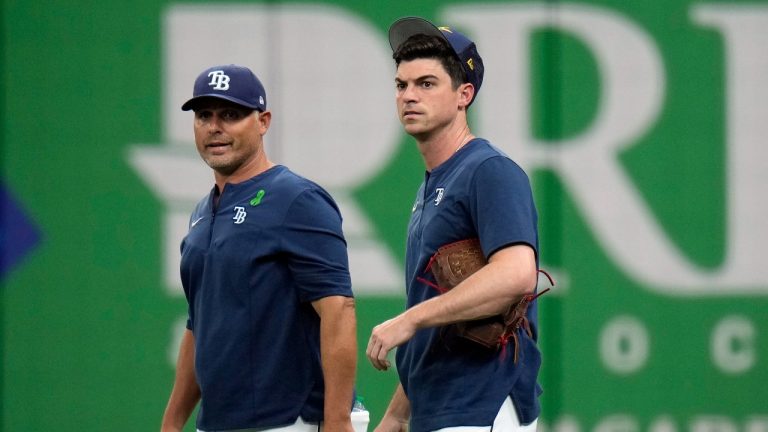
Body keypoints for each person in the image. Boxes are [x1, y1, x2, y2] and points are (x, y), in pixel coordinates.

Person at [366, 18, 543, 432]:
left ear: (464, 94)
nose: (409, 96)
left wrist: (409, 319)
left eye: (426, 83)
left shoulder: (488, 170)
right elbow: (441, 319)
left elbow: (518, 274)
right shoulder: (433, 184)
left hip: (482, 401)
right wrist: (395, 416)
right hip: (440, 405)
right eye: (401, 85)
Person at [161, 64, 357, 432]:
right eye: (204, 116)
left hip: (286, 420)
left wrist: (337, 420)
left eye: (231, 115)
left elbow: (338, 309)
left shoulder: (296, 198)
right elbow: (198, 324)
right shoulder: (202, 214)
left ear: (263, 121)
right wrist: (171, 424)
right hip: (217, 422)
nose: (214, 127)